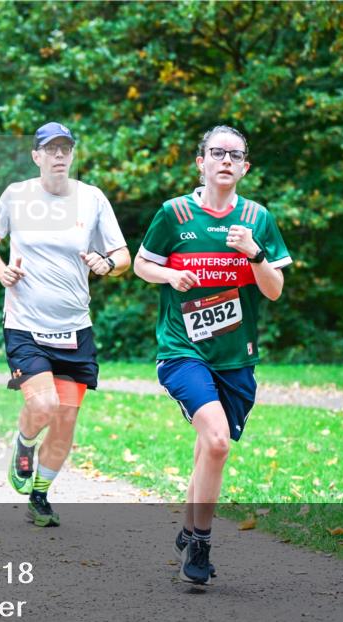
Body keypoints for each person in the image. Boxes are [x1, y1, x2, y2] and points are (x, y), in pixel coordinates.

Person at [134, 125, 292, 585]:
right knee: (218, 441)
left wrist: (254, 253)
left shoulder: (258, 218)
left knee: (210, 446)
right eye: (217, 153)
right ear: (200, 162)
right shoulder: (175, 213)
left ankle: (189, 526)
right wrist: (169, 275)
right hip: (182, 351)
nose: (226, 160)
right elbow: (142, 263)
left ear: (245, 167)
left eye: (235, 155)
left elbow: (275, 290)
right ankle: (200, 544)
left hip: (236, 357)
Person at [0, 122, 131, 527]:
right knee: (43, 405)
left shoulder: (92, 199)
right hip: (25, 323)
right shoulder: (17, 195)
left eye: (66, 148)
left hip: (74, 328)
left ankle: (40, 495)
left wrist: (106, 263)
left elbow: (123, 256)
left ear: (73, 154)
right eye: (51, 149)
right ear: (36, 156)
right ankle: (24, 444)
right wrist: (1, 272)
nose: (59, 155)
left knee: (65, 419)